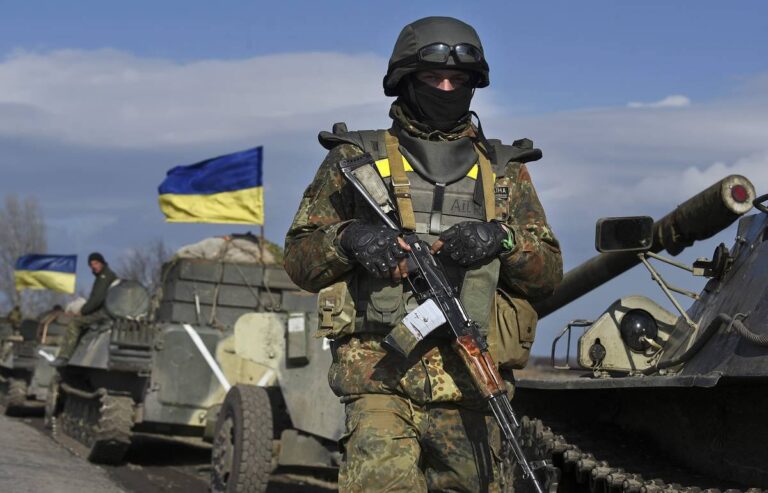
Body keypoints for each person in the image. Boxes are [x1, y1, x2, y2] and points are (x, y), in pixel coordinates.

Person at [284, 16, 562, 493]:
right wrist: (350, 238)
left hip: (472, 384)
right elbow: (299, 259)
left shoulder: (504, 172)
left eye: (458, 79)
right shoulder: (354, 160)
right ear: (406, 80)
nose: (446, 88)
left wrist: (502, 239)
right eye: (434, 77)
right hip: (379, 378)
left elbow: (548, 274)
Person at [51, 252, 118, 367]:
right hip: (106, 311)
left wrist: (82, 311)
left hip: (104, 313)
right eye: (91, 265)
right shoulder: (107, 275)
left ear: (102, 263)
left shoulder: (104, 277)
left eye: (96, 263)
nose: (94, 266)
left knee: (74, 324)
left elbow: (97, 299)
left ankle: (64, 357)